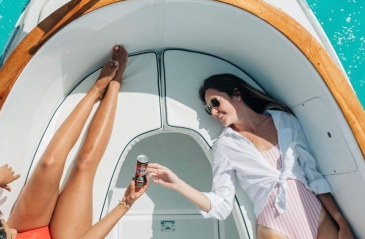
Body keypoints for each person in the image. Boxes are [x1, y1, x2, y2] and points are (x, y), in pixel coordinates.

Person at [0, 45, 148, 239]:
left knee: (50, 162)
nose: (14, 232)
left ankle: (96, 90)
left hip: (29, 225)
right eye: (10, 236)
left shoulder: (16, 230)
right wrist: (126, 203)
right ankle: (114, 84)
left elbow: (14, 230)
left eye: (3, 224)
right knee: (85, 164)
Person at [148, 73, 355, 239]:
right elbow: (221, 204)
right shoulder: (224, 146)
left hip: (315, 215)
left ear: (236, 94)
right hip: (275, 228)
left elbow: (313, 175)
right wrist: (178, 185)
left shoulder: (284, 120)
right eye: (208, 109)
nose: (212, 112)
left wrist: (342, 222)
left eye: (215, 103)